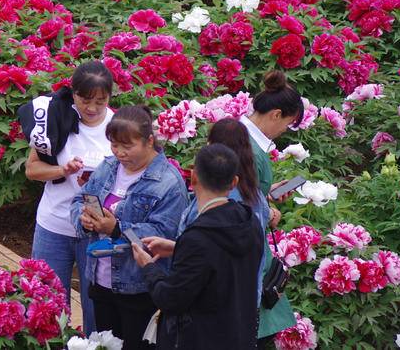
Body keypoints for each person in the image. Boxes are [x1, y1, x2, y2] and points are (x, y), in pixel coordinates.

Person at [69, 105, 187, 350]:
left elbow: (163, 237)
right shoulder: (109, 167)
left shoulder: (169, 183)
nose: (119, 153)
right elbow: (79, 199)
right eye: (114, 145)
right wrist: (83, 219)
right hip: (100, 282)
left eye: (127, 146)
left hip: (139, 289)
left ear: (149, 141)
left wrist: (117, 228)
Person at [131, 143, 264, 350]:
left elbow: (170, 299)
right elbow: (221, 261)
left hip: (202, 338)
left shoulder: (199, 238)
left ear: (193, 179)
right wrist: (177, 248)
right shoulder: (249, 221)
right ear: (234, 182)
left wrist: (148, 267)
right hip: (239, 335)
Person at [21, 61, 115, 327]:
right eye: (86, 100)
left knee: (97, 310)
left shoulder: (118, 127)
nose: (93, 108)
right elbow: (32, 169)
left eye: (101, 100)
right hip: (54, 226)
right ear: (73, 93)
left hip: (97, 231)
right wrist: (62, 169)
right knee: (47, 307)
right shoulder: (55, 117)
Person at [241, 70, 305, 347]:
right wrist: (267, 210)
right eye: (287, 124)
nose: (282, 132)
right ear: (276, 114)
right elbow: (238, 201)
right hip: (246, 249)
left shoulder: (235, 132)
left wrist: (264, 193)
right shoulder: (250, 148)